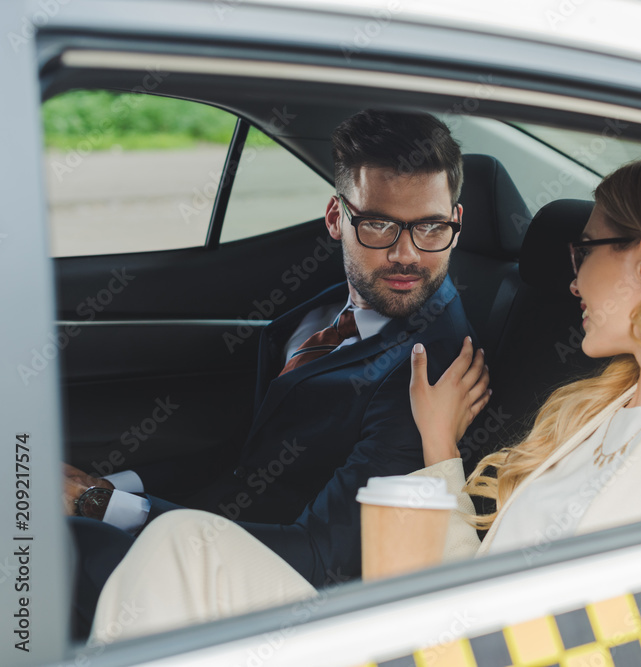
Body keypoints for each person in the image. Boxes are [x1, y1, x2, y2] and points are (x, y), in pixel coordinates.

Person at [89, 155, 641, 643]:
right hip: (444, 642)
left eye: (585, 250)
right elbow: (465, 586)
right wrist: (439, 444)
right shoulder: (588, 413)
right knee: (183, 545)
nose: (571, 280)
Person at [66, 109, 480, 636]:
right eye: (378, 224)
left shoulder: (429, 375)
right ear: (336, 218)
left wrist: (98, 505)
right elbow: (250, 456)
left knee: (54, 551)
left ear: (456, 223)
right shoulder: (329, 308)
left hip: (273, 592)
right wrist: (106, 488)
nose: (406, 254)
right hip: (222, 527)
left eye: (431, 227)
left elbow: (320, 556)